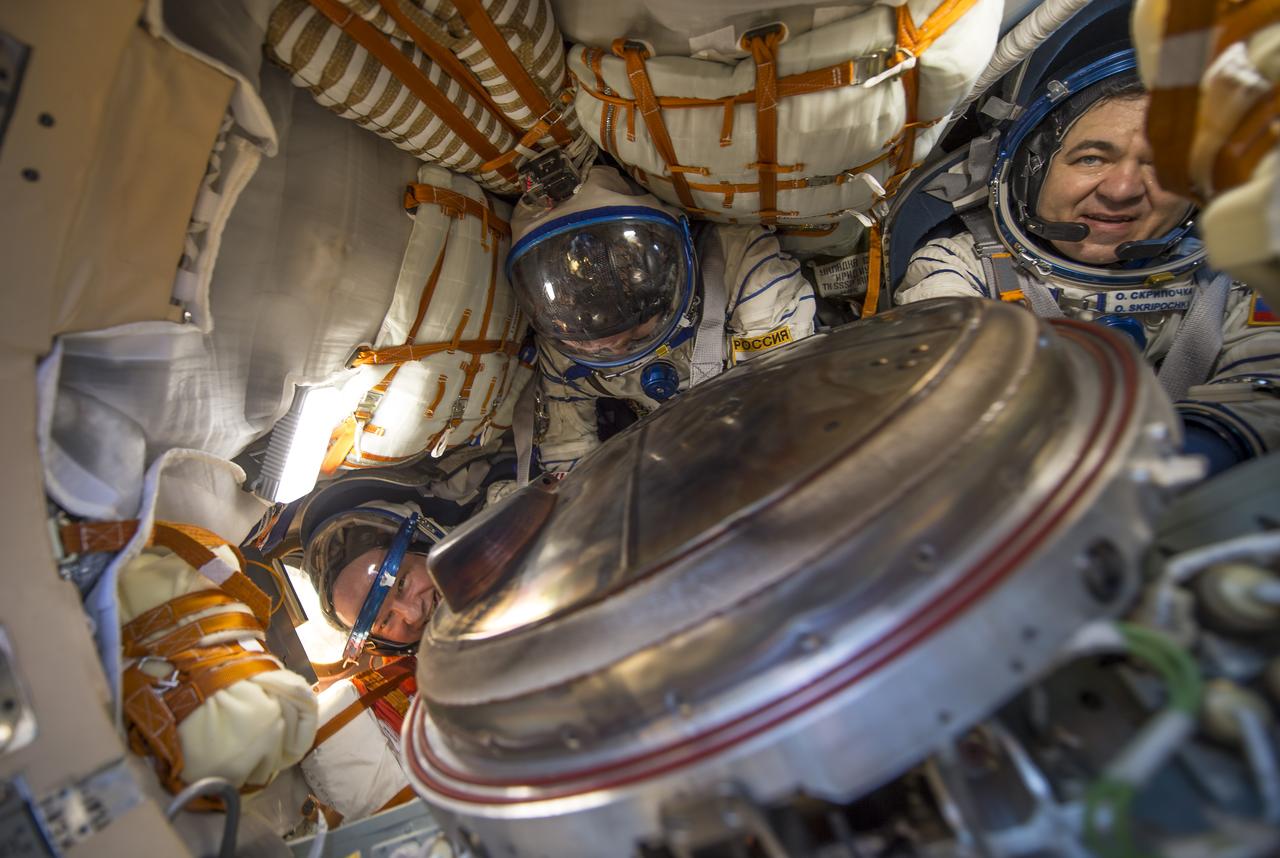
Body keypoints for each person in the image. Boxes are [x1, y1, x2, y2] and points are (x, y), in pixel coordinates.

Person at [896, 51, 1280, 475]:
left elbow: (1266, 391)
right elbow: (950, 394)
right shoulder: (957, 268)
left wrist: (1195, 453)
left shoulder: (1242, 275)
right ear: (1031, 168)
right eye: (1091, 158)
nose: (1122, 190)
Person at [508, 165, 817, 472]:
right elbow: (566, 454)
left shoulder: (743, 271)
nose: (614, 348)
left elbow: (784, 406)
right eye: (594, 342)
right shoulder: (564, 348)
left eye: (633, 331)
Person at [295, 444, 515, 656]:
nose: (414, 614)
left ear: (420, 544)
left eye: (401, 584)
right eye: (386, 621)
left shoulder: (509, 516)